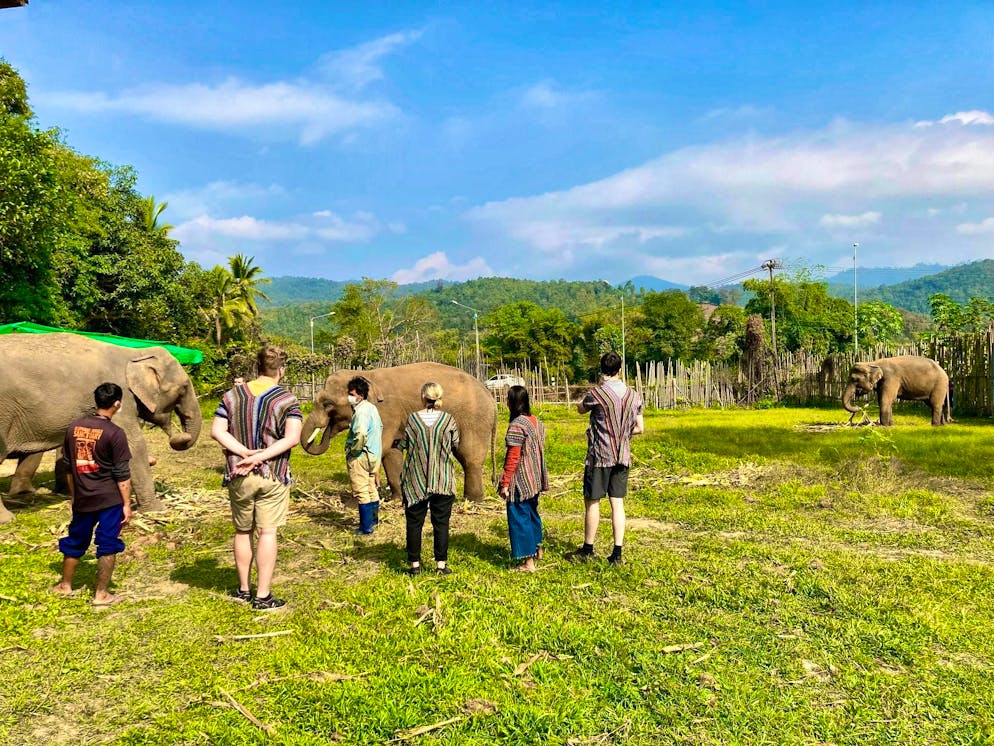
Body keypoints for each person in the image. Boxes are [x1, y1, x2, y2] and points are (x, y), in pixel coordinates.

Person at [211, 346, 302, 610]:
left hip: (239, 473)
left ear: (256, 367)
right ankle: (263, 596)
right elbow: (292, 438)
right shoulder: (286, 399)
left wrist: (244, 453)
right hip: (272, 474)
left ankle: (243, 590)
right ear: (281, 370)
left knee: (242, 531)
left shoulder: (231, 396)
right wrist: (260, 456)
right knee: (267, 531)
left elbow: (217, 431)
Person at [53, 382, 133, 605]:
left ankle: (65, 585)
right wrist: (127, 504)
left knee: (76, 539)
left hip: (83, 497)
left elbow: (69, 466)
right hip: (109, 499)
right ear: (117, 404)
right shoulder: (115, 433)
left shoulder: (73, 428)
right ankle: (101, 594)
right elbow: (122, 474)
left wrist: (74, 495)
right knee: (108, 543)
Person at [567, 351, 644, 565]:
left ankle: (588, 549)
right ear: (620, 370)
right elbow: (640, 428)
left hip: (600, 456)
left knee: (592, 502)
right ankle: (617, 553)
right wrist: (622, 433)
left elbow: (580, 409)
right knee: (617, 504)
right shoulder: (634, 395)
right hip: (622, 455)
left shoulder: (597, 394)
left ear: (601, 370)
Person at [397, 382, 460, 575]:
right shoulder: (448, 420)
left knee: (414, 523)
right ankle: (441, 565)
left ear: (423, 396)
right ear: (440, 397)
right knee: (441, 523)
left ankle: (414, 565)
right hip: (443, 479)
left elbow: (404, 444)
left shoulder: (413, 420)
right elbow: (455, 443)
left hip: (416, 480)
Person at [498, 385, 548, 572]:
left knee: (520, 518)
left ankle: (528, 562)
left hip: (521, 480)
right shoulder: (536, 421)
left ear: (512, 402)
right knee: (532, 513)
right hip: (535, 477)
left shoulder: (517, 425)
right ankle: (538, 548)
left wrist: (505, 483)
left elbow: (513, 457)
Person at [345, 376, 383, 535]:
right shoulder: (372, 408)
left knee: (361, 491)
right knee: (371, 487)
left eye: (352, 394)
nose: (349, 397)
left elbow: (360, 433)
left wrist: (355, 451)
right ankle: (374, 520)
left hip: (362, 455)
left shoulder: (360, 412)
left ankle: (365, 527)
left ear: (360, 395)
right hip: (374, 455)